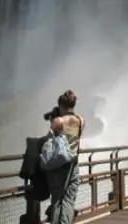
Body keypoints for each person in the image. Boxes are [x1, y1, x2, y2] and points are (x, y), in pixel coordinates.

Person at [46, 90, 84, 224]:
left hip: (59, 166)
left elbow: (49, 141)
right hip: (74, 165)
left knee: (57, 200)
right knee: (69, 200)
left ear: (61, 106)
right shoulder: (81, 120)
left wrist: (53, 118)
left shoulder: (58, 121)